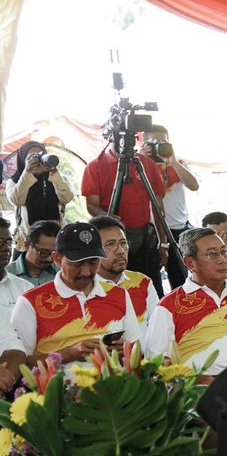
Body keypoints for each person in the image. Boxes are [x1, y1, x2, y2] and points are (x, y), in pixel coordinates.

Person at [145, 227, 227, 379]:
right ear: (190, 263)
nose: (222, 259)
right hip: (201, 392)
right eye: (212, 254)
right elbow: (156, 366)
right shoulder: (169, 306)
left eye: (224, 251)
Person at [11, 222, 140, 362]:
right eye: (77, 264)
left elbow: (136, 348)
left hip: (113, 382)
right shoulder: (30, 301)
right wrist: (68, 354)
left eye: (93, 262)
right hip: (59, 384)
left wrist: (125, 348)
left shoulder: (119, 295)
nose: (86, 272)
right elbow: (19, 362)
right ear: (57, 259)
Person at [82, 135, 169, 296]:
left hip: (144, 241)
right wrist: (108, 217)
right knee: (114, 292)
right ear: (112, 136)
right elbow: (91, 204)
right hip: (111, 245)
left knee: (151, 292)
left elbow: (158, 208)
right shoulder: (95, 166)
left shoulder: (146, 164)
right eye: (123, 135)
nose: (130, 140)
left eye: (133, 136)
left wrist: (163, 244)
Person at [143, 124, 198, 289]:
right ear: (144, 144)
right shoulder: (138, 165)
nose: (158, 146)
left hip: (178, 228)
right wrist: (140, 158)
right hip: (151, 231)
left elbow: (194, 186)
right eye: (153, 143)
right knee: (152, 283)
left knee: (182, 281)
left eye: (163, 142)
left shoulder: (178, 163)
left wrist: (173, 162)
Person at [91, 215, 160, 326]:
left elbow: (159, 327)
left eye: (123, 243)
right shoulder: (85, 289)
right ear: (94, 251)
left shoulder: (143, 282)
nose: (121, 251)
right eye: (110, 244)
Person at [5, 141, 73, 243]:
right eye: (32, 157)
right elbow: (17, 200)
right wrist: (27, 172)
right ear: (23, 159)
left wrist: (54, 172)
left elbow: (67, 197)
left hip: (56, 238)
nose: (37, 159)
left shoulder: (55, 177)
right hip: (27, 240)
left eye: (41, 155)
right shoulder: (14, 181)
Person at [0, 217, 34, 391]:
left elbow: (14, 345)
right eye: (0, 242)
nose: (6, 248)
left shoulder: (25, 289)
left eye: (9, 242)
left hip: (21, 376)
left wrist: (6, 377)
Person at [6, 219, 60, 287]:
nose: (50, 259)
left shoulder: (63, 273)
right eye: (44, 252)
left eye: (54, 253)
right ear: (27, 245)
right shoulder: (7, 276)